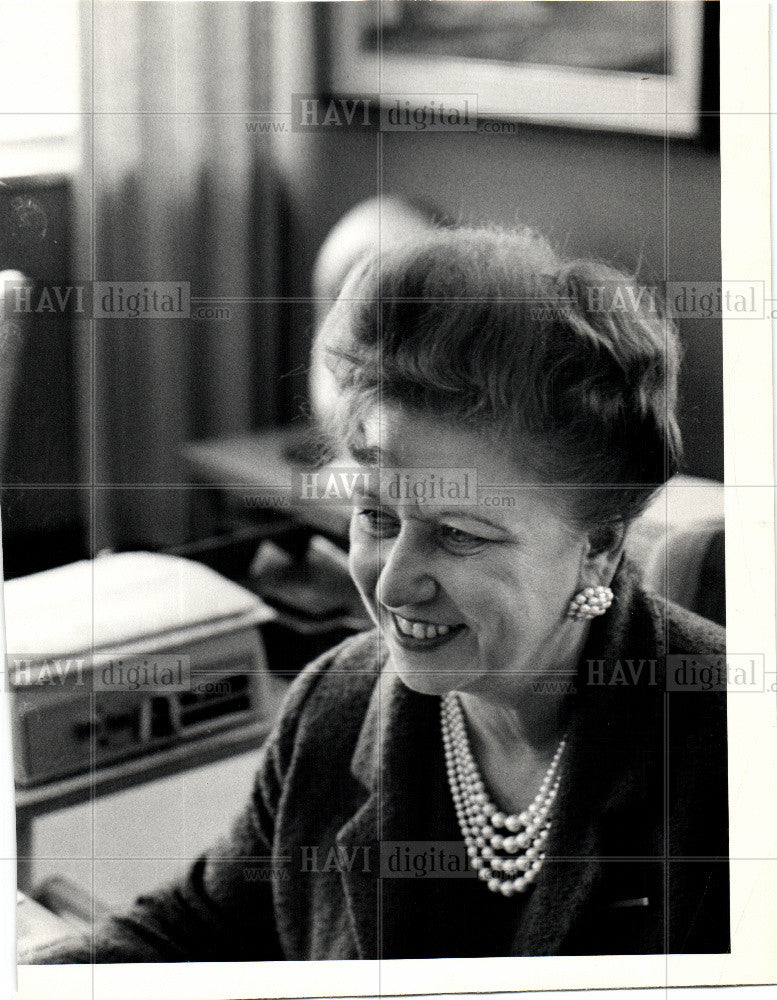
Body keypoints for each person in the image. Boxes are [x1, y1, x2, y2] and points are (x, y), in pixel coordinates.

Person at [32, 225, 728, 963]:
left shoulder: (731, 757)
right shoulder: (333, 704)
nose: (392, 582)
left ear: (597, 547)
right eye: (376, 516)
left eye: (458, 533)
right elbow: (196, 926)